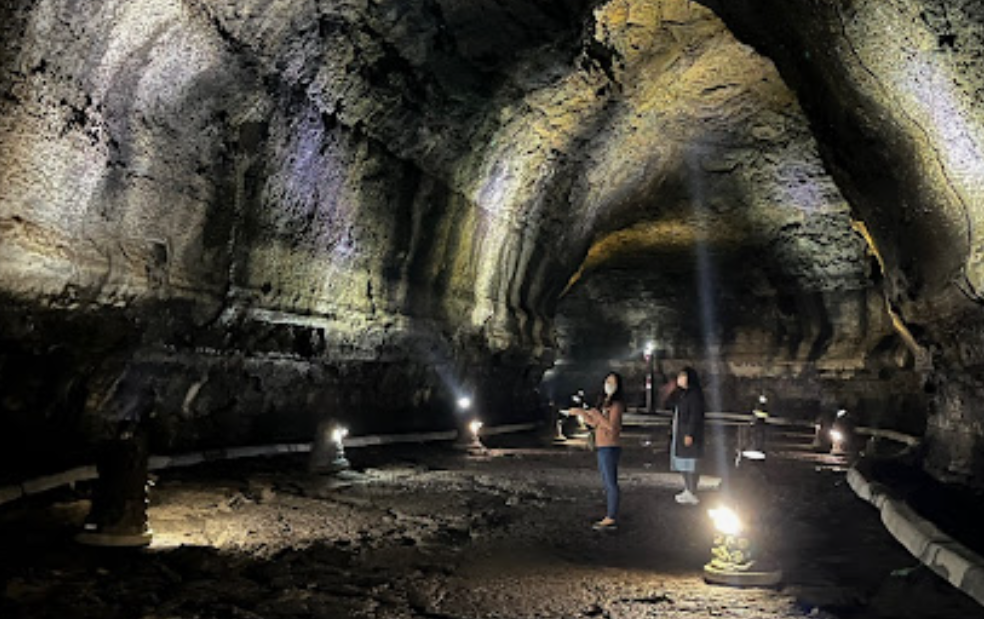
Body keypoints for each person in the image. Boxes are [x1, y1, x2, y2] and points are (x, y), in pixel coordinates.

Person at [577, 372, 625, 531]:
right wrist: (581, 413)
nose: (608, 384)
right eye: (607, 381)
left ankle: (611, 517)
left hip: (610, 447)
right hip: (602, 446)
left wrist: (597, 414)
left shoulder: (616, 405)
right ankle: (610, 514)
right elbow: (595, 424)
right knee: (607, 482)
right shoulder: (604, 402)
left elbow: (612, 427)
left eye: (612, 382)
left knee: (611, 483)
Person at [669, 367, 705, 505]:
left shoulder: (694, 395)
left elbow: (695, 416)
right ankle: (687, 489)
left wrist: (690, 433)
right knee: (683, 463)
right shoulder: (683, 394)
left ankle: (692, 491)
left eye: (683, 376)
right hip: (681, 432)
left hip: (689, 434)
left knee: (690, 464)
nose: (680, 379)